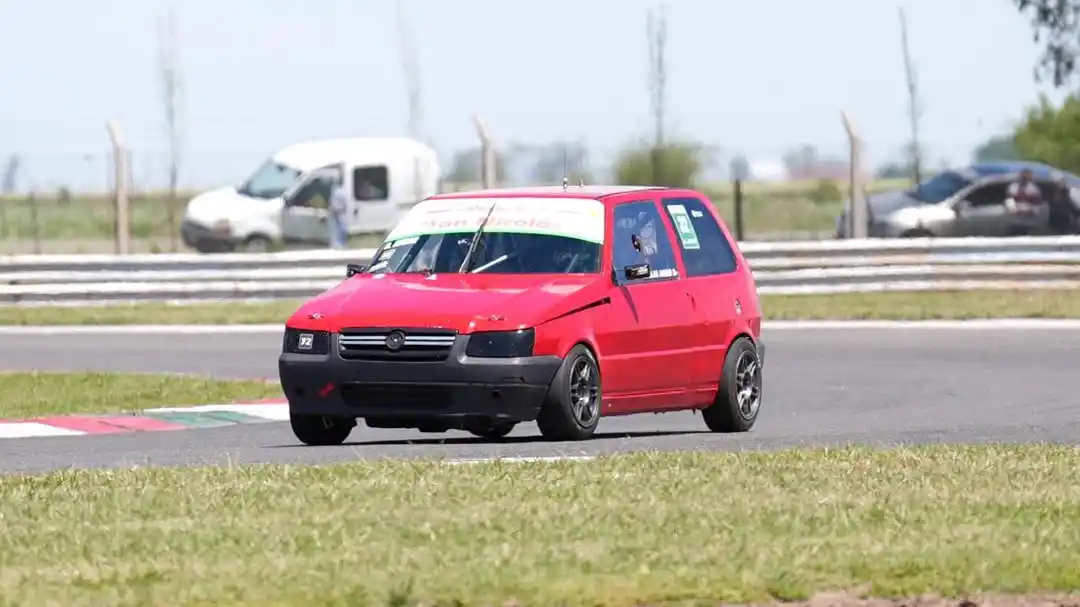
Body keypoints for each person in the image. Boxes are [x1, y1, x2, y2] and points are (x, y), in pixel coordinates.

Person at [327, 164, 350, 249]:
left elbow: (336, 206)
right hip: (340, 216)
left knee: (339, 233)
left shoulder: (337, 191)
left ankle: (339, 247)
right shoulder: (342, 190)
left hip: (339, 216)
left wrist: (332, 209)